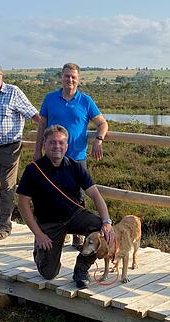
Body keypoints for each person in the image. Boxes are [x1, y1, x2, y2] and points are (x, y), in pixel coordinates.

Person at [17, 125, 114, 288]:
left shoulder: (75, 167)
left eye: (61, 143)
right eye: (52, 142)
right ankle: (41, 251)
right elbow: (22, 204)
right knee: (49, 274)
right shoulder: (33, 170)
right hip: (49, 222)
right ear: (44, 144)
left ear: (67, 146)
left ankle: (81, 269)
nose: (57, 146)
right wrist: (39, 234)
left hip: (74, 215)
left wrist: (107, 222)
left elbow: (96, 195)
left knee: (99, 228)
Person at [34, 62, 109, 249]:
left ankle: (77, 235)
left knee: (78, 197)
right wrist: (37, 151)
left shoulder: (85, 101)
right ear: (61, 77)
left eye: (73, 77)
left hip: (76, 157)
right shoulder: (50, 99)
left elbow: (102, 123)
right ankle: (56, 231)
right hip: (52, 158)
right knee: (50, 195)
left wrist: (98, 139)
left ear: (79, 79)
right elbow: (42, 126)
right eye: (67, 76)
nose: (70, 80)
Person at [0, 62, 40, 240]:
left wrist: (48, 131)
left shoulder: (13, 92)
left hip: (10, 149)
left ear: (2, 75)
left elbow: (33, 115)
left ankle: (4, 226)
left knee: (7, 187)